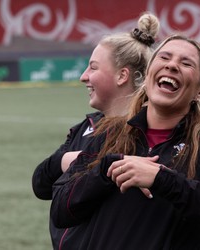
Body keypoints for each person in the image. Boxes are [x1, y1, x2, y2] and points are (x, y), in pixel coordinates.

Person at [50, 34, 200, 250]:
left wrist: (162, 179)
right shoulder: (109, 134)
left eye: (186, 63)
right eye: (165, 58)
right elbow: (61, 211)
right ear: (148, 76)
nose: (172, 65)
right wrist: (106, 170)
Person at [31, 12, 160, 249]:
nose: (83, 77)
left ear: (122, 75)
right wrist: (67, 159)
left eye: (93, 67)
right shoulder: (86, 128)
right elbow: (40, 184)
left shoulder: (155, 131)